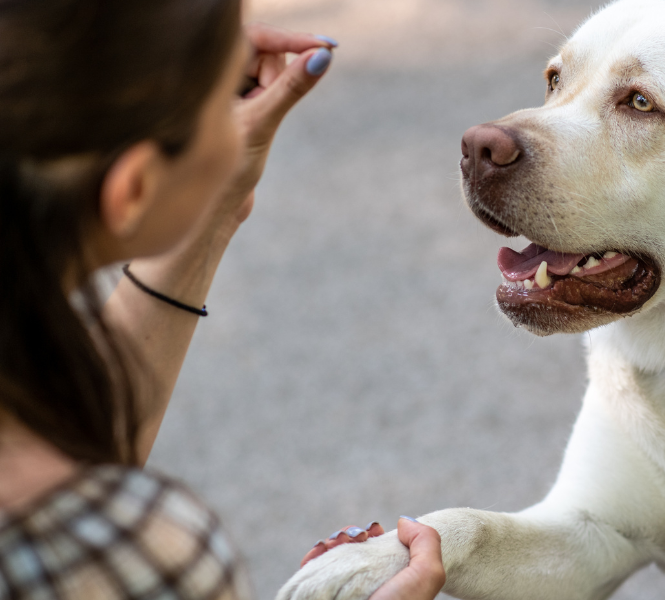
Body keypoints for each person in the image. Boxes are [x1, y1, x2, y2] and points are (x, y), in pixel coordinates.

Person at [0, 0, 445, 598]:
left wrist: (211, 212)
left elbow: (73, 452)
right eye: (218, 100)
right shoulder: (117, 555)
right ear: (134, 189)